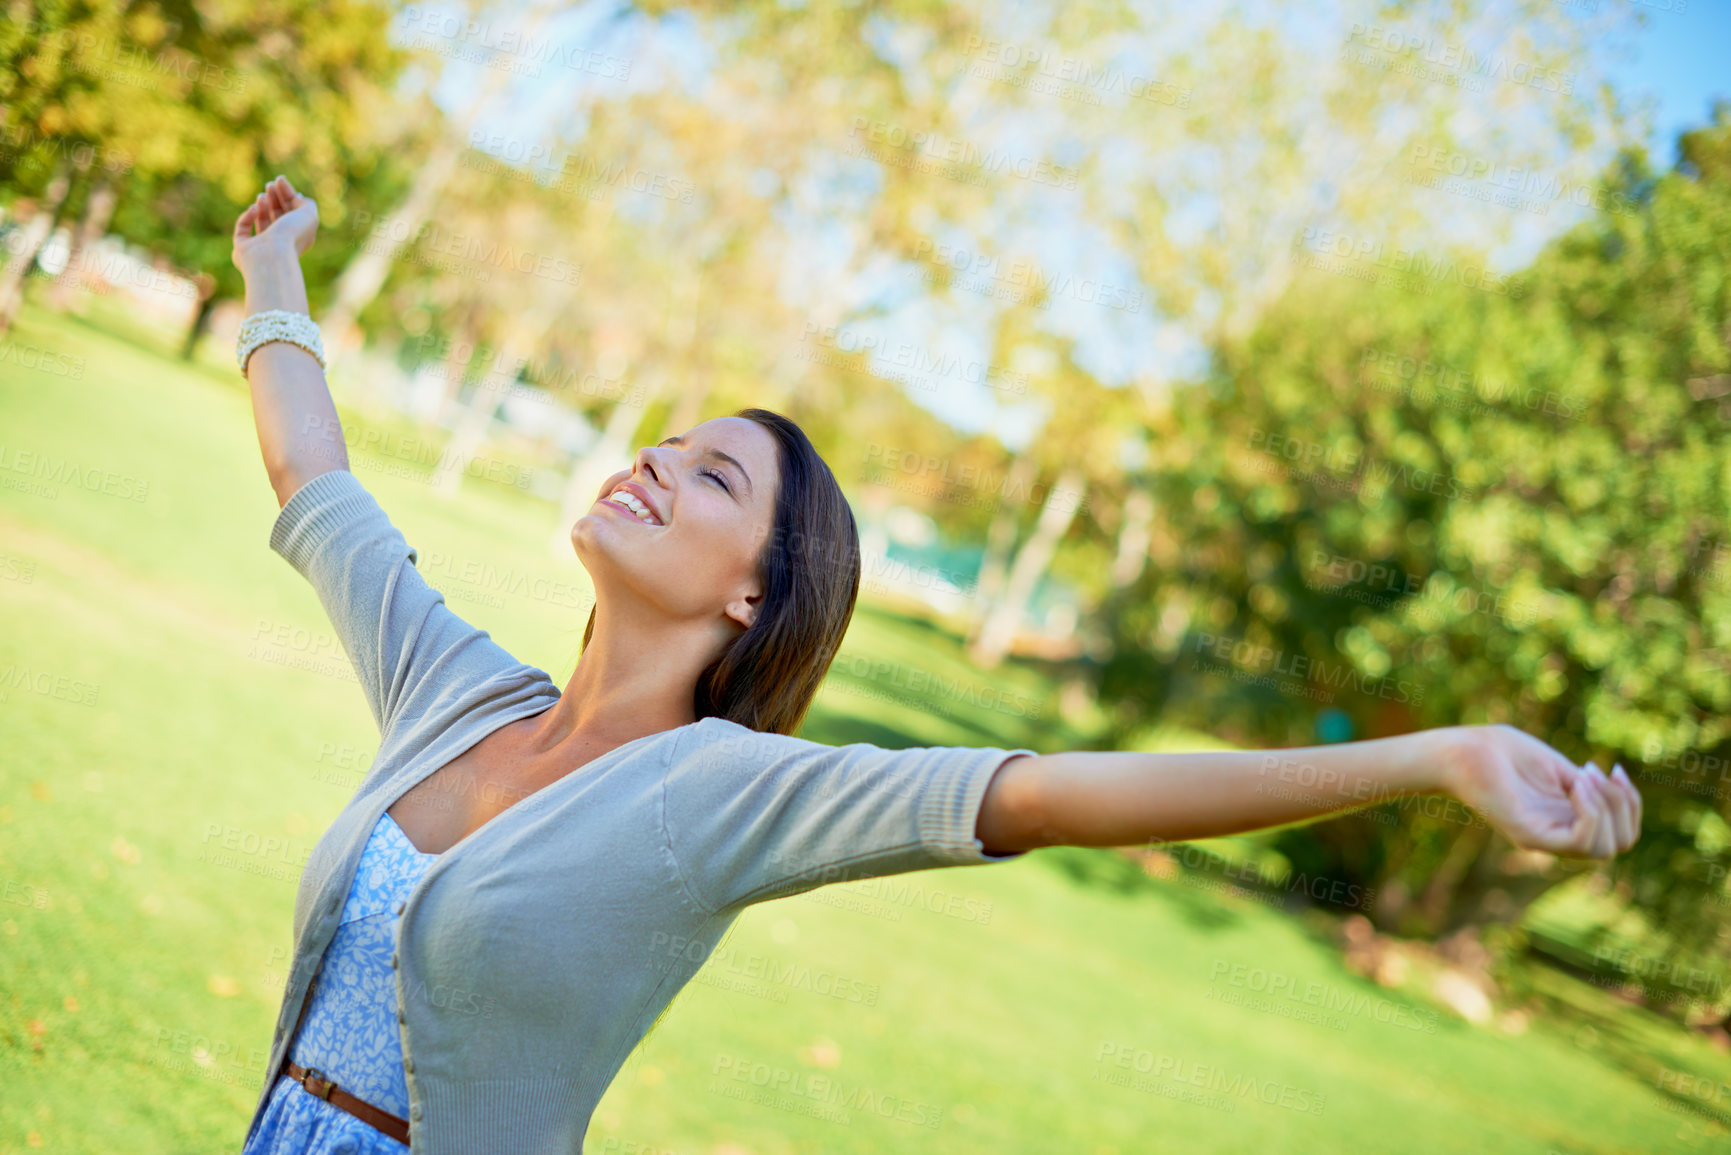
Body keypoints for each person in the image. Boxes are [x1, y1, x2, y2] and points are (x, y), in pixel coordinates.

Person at [229, 176, 1642, 1154]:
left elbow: (1046, 795)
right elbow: (318, 479)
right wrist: (274, 275)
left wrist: (1435, 757)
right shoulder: (455, 693)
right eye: (666, 439)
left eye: (711, 472)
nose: (654, 459)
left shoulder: (720, 795)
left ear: (752, 594)